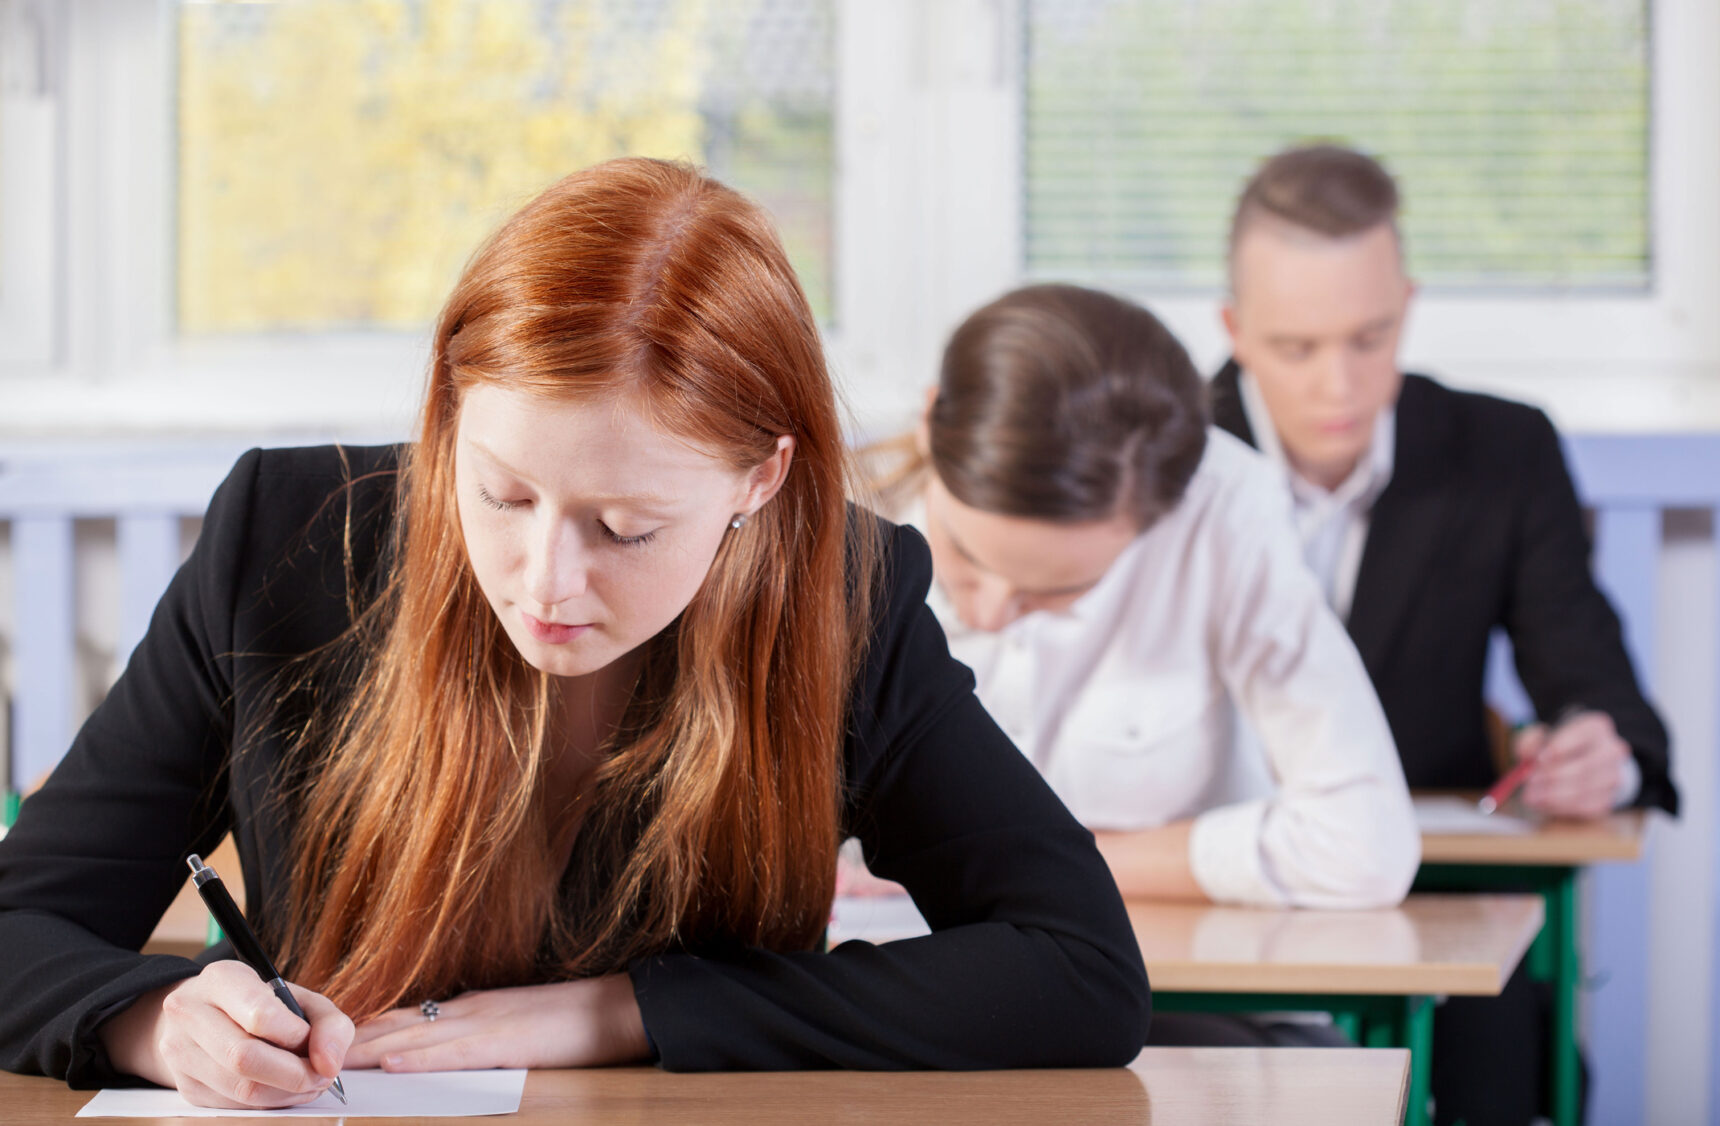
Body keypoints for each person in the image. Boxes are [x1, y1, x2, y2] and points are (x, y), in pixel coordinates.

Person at [0, 159, 1150, 1108]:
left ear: (759, 479)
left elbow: (1080, 967)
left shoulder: (842, 598)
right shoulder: (287, 542)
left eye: (627, 527)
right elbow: (20, 926)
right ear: (449, 418)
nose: (545, 578)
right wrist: (155, 1023)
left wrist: (621, 1011)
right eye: (502, 494)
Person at [1209, 143, 1679, 1124]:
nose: (1338, 383)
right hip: (1208, 893)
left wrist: (1600, 755)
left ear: (1407, 308)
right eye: (1296, 347)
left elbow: (1600, 690)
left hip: (1431, 900)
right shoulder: (1160, 454)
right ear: (1233, 330)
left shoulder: (1502, 450)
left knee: (1508, 1068)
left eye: (1369, 337)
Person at [859, 282, 1419, 929]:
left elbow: (1365, 842)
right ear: (930, 424)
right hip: (894, 983)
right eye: (963, 557)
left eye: (1057, 591)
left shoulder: (1220, 510)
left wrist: (1051, 865)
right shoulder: (831, 515)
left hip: (1169, 990)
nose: (985, 615)